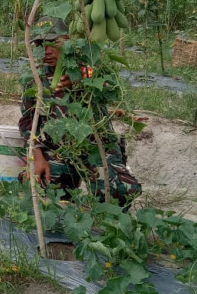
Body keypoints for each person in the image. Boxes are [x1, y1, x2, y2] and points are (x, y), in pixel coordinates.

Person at [18, 17, 141, 207]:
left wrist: (81, 79)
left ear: (67, 40)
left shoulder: (88, 64)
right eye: (40, 44)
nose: (47, 50)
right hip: (60, 151)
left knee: (120, 190)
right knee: (39, 185)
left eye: (53, 42)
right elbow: (27, 122)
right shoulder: (35, 78)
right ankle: (66, 195)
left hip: (96, 149)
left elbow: (111, 85)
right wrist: (36, 154)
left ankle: (108, 200)